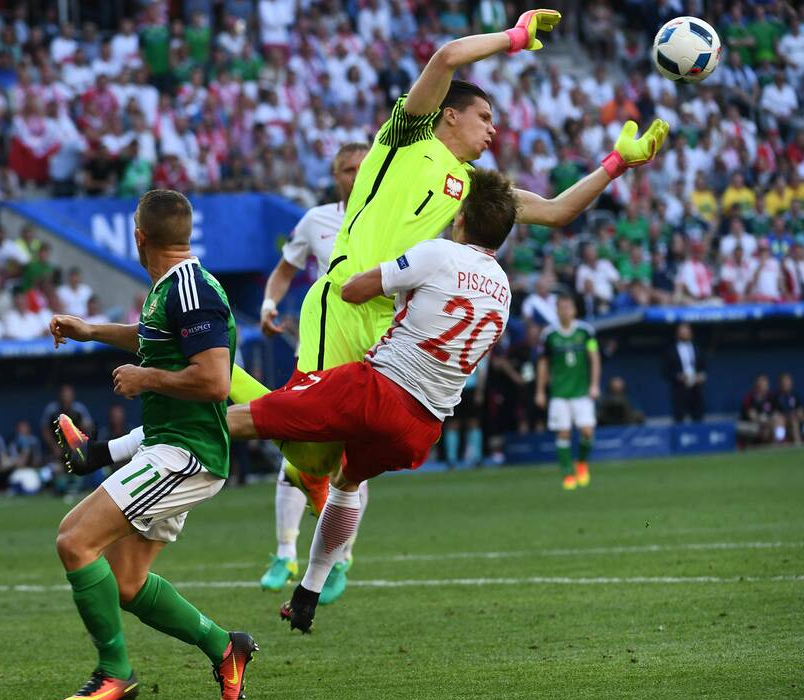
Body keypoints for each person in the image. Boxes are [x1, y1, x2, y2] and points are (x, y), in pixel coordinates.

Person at [225, 7, 665, 553]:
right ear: (450, 116)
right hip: (345, 299)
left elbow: (554, 211)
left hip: (392, 325)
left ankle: (316, 553)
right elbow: (447, 57)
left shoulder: (475, 187)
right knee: (306, 447)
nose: (494, 129)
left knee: (331, 454)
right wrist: (514, 36)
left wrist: (616, 165)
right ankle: (211, 377)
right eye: (484, 117)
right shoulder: (407, 138)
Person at [222, 167, 517, 633]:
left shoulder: (438, 252)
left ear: (459, 218)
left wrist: (373, 265)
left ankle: (115, 449)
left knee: (249, 417)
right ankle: (309, 592)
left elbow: (354, 290)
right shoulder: (503, 289)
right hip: (423, 428)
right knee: (346, 482)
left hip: (377, 390)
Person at [47, 190, 256, 700]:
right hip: (168, 448)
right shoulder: (173, 287)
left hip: (186, 454)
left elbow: (213, 380)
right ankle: (225, 647)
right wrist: (89, 330)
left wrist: (146, 378)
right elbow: (151, 337)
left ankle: (115, 673)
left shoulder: (189, 291)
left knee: (74, 541)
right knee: (126, 583)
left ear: (138, 237)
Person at [257, 141, 369, 600]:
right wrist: (268, 303)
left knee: (353, 465)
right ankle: (286, 552)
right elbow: (285, 269)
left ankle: (340, 559)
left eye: (363, 168)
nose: (355, 175)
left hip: (368, 356)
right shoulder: (316, 221)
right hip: (318, 353)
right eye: (347, 169)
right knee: (294, 455)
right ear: (335, 175)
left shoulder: (394, 220)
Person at [534, 295, 600, 490]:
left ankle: (581, 463)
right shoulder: (549, 335)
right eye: (561, 307)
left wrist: (595, 384)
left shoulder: (586, 332)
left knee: (587, 431)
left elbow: (594, 358)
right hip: (559, 393)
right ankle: (566, 473)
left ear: (574, 310)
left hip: (581, 391)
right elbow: (543, 363)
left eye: (568, 307)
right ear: (557, 311)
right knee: (563, 433)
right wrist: (540, 391)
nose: (565, 311)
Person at [664, 322, 706, 423]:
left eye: (687, 331)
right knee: (679, 419)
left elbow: (704, 367)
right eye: (682, 332)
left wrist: (702, 375)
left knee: (698, 418)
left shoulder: (698, 348)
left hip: (696, 389)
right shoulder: (670, 351)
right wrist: (679, 376)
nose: (685, 334)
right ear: (677, 334)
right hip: (679, 389)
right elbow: (665, 371)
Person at [775, 373, 802, 446]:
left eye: (787, 381)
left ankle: (798, 444)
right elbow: (776, 413)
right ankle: (780, 443)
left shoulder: (795, 396)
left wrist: (798, 413)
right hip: (782, 420)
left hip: (794, 420)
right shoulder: (775, 396)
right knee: (780, 420)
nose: (786, 384)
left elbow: (799, 409)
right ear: (780, 384)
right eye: (783, 382)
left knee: (795, 420)